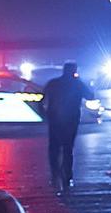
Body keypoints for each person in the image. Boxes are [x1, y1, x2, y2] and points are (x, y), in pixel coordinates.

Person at [40, 62, 94, 194]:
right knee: (68, 148)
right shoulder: (77, 84)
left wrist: (45, 115)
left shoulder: (53, 83)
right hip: (71, 119)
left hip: (55, 119)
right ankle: (67, 175)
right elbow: (90, 96)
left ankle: (55, 174)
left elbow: (42, 101)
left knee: (54, 148)